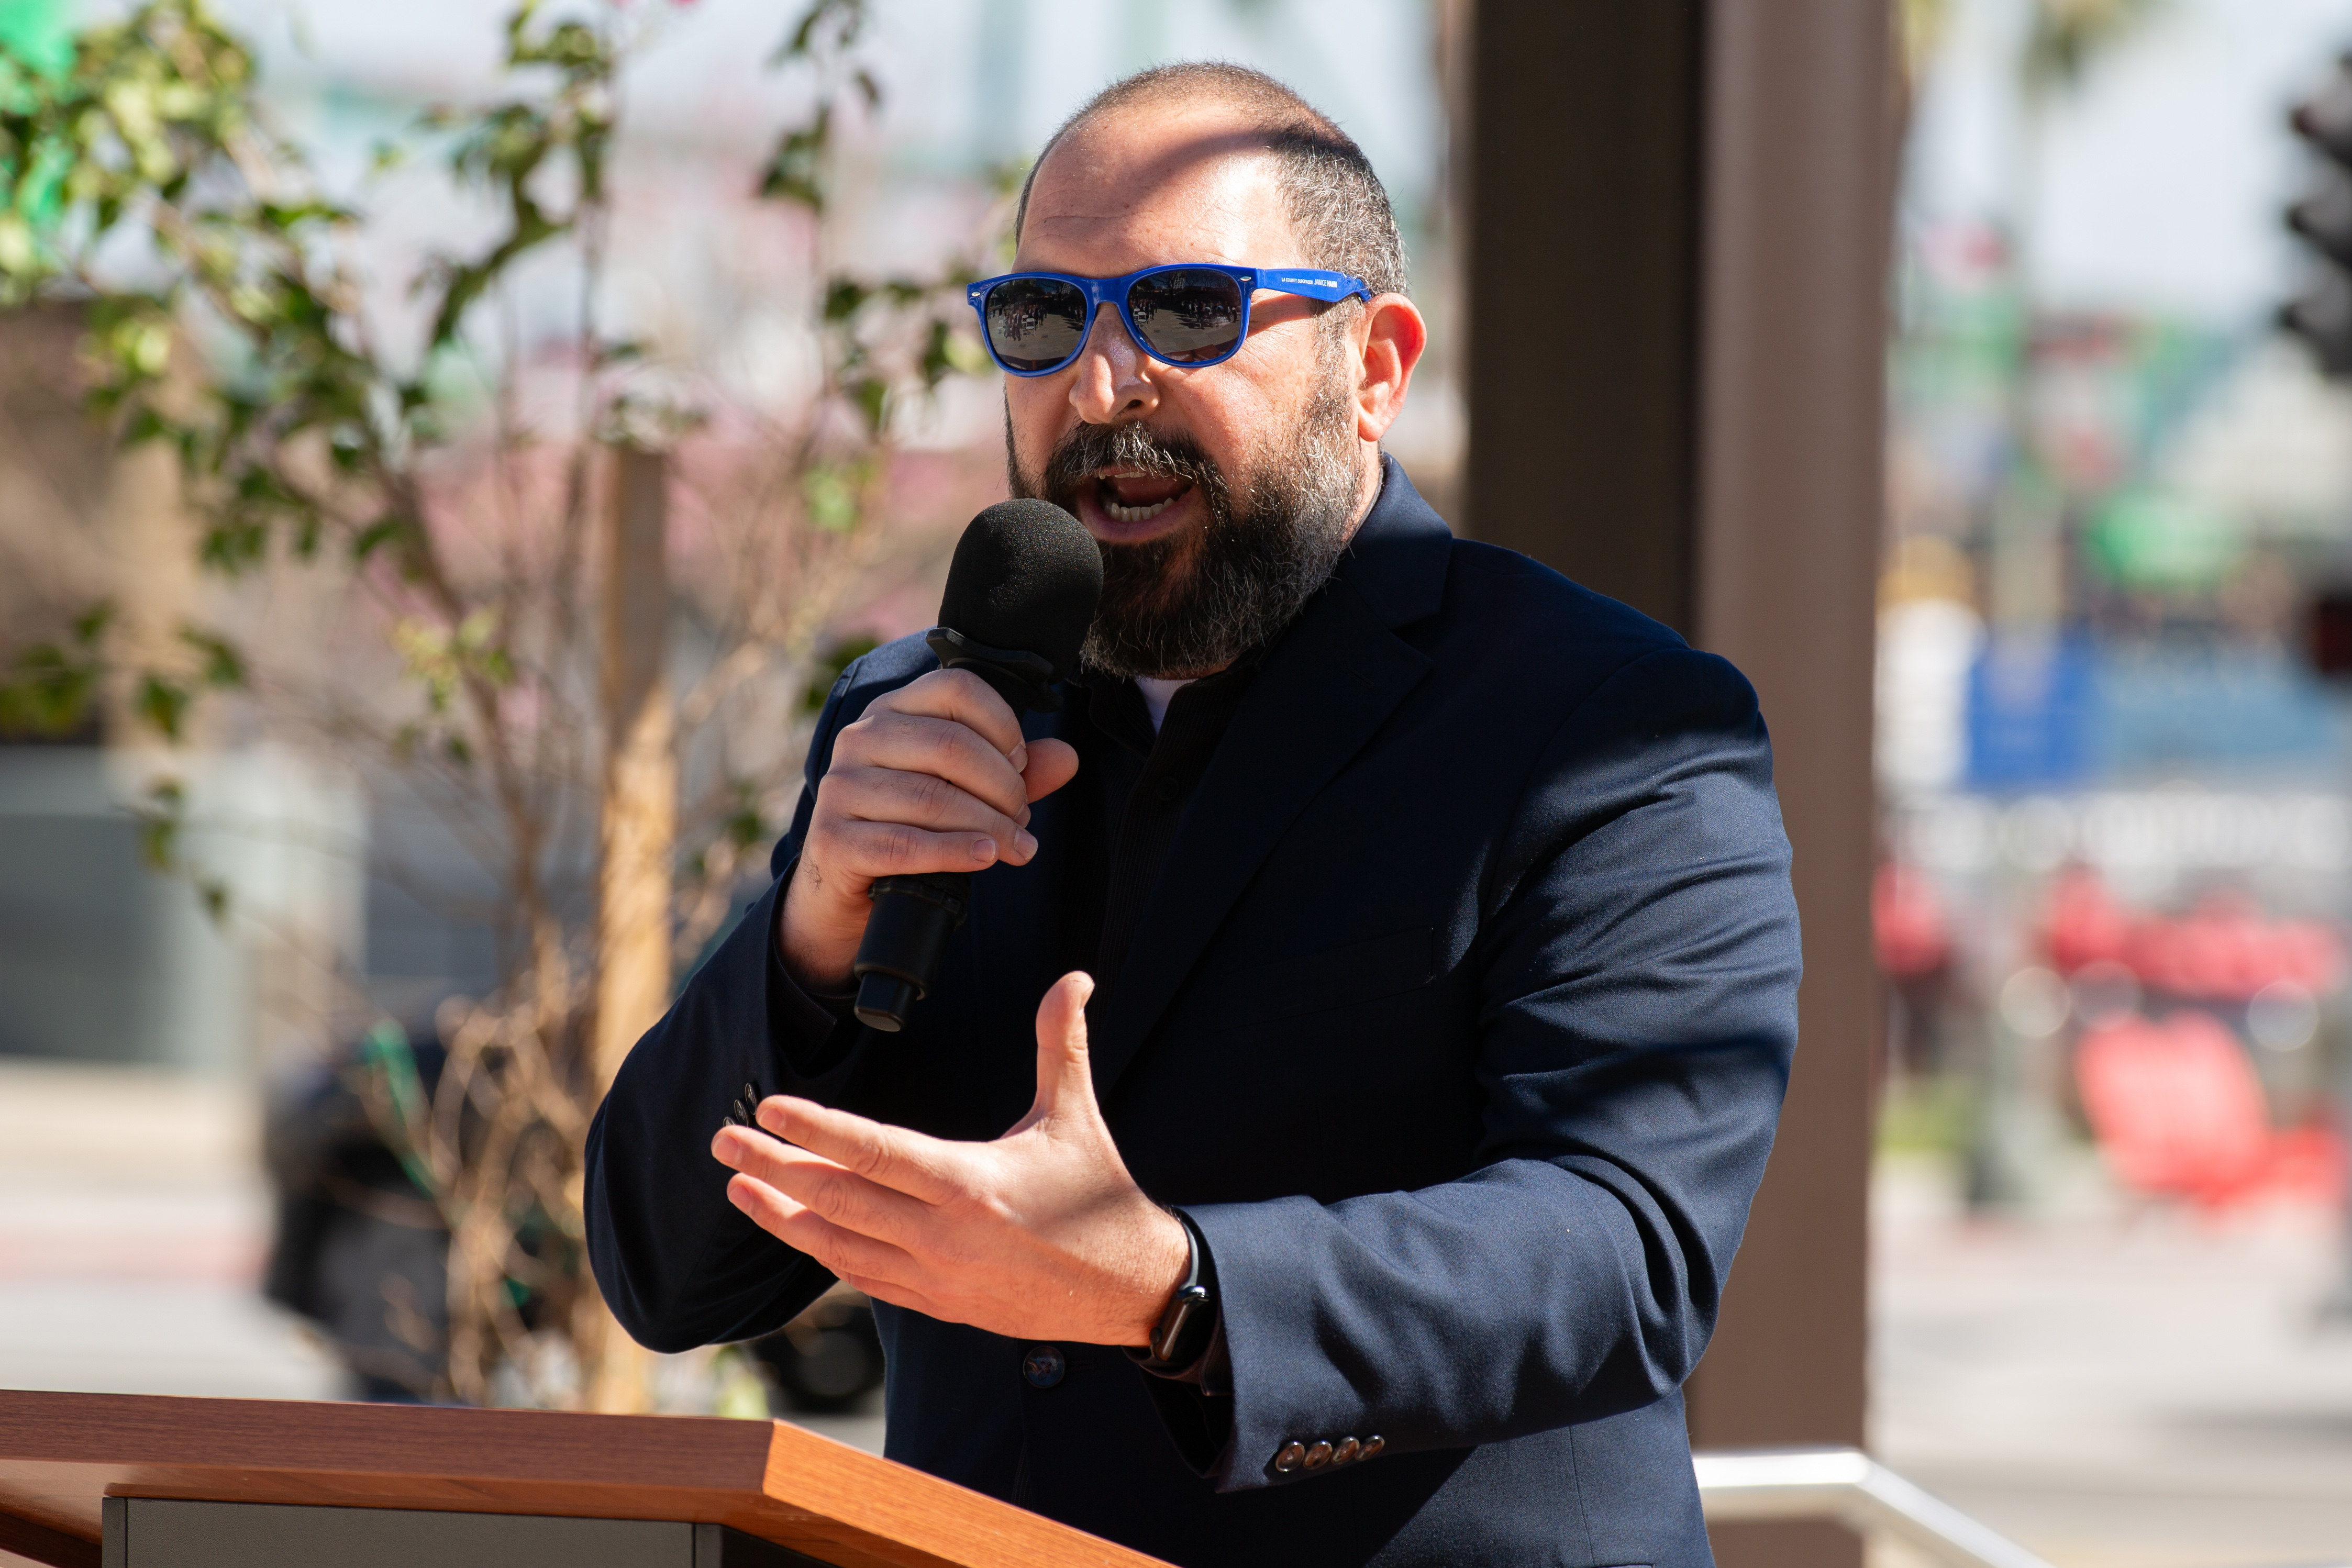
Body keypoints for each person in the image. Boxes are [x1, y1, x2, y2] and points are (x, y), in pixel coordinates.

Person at [586, 61, 1800, 1568]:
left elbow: (1627, 1251)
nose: (1103, 387)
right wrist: (810, 943)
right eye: (1046, 318)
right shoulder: (921, 719)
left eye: (1184, 311)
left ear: (1373, 369)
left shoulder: (1610, 721)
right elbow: (666, 1273)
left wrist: (1170, 1284)